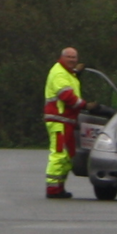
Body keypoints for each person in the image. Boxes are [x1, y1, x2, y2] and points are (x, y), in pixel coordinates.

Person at [41, 47, 83, 200]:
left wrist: (76, 73)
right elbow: (66, 96)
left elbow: (68, 84)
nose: (72, 60)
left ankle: (59, 187)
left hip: (66, 121)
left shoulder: (67, 73)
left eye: (74, 57)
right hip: (59, 120)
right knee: (58, 154)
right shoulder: (59, 72)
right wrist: (85, 105)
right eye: (69, 57)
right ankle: (52, 189)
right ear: (62, 57)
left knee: (67, 155)